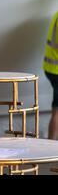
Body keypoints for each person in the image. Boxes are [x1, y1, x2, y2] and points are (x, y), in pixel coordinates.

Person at [43, 11, 58, 140]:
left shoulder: (56, 14)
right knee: (57, 112)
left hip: (51, 68)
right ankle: (51, 148)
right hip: (57, 71)